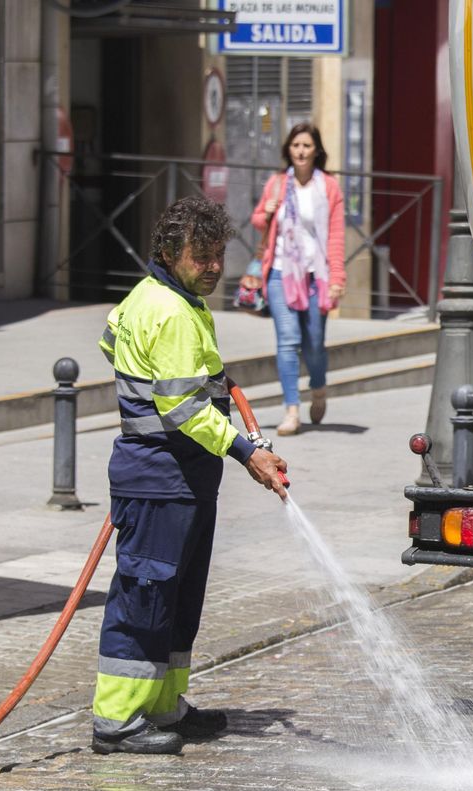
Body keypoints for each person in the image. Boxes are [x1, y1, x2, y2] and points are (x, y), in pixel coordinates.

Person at [92, 195, 290, 755]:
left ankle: (162, 705)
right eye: (200, 256)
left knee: (177, 599)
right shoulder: (173, 312)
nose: (212, 266)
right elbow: (183, 410)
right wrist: (246, 452)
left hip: (180, 479)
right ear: (168, 252)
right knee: (146, 599)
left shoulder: (156, 298)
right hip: (160, 477)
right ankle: (117, 721)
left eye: (217, 254)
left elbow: (111, 340)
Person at [243, 123, 346, 436]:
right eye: (296, 145)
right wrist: (266, 212)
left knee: (314, 344)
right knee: (287, 341)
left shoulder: (329, 187)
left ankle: (318, 388)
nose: (301, 151)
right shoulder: (277, 183)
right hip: (279, 272)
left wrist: (337, 278)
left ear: (316, 151)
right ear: (288, 149)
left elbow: (336, 236)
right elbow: (258, 220)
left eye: (306, 146)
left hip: (316, 275)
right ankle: (292, 410)